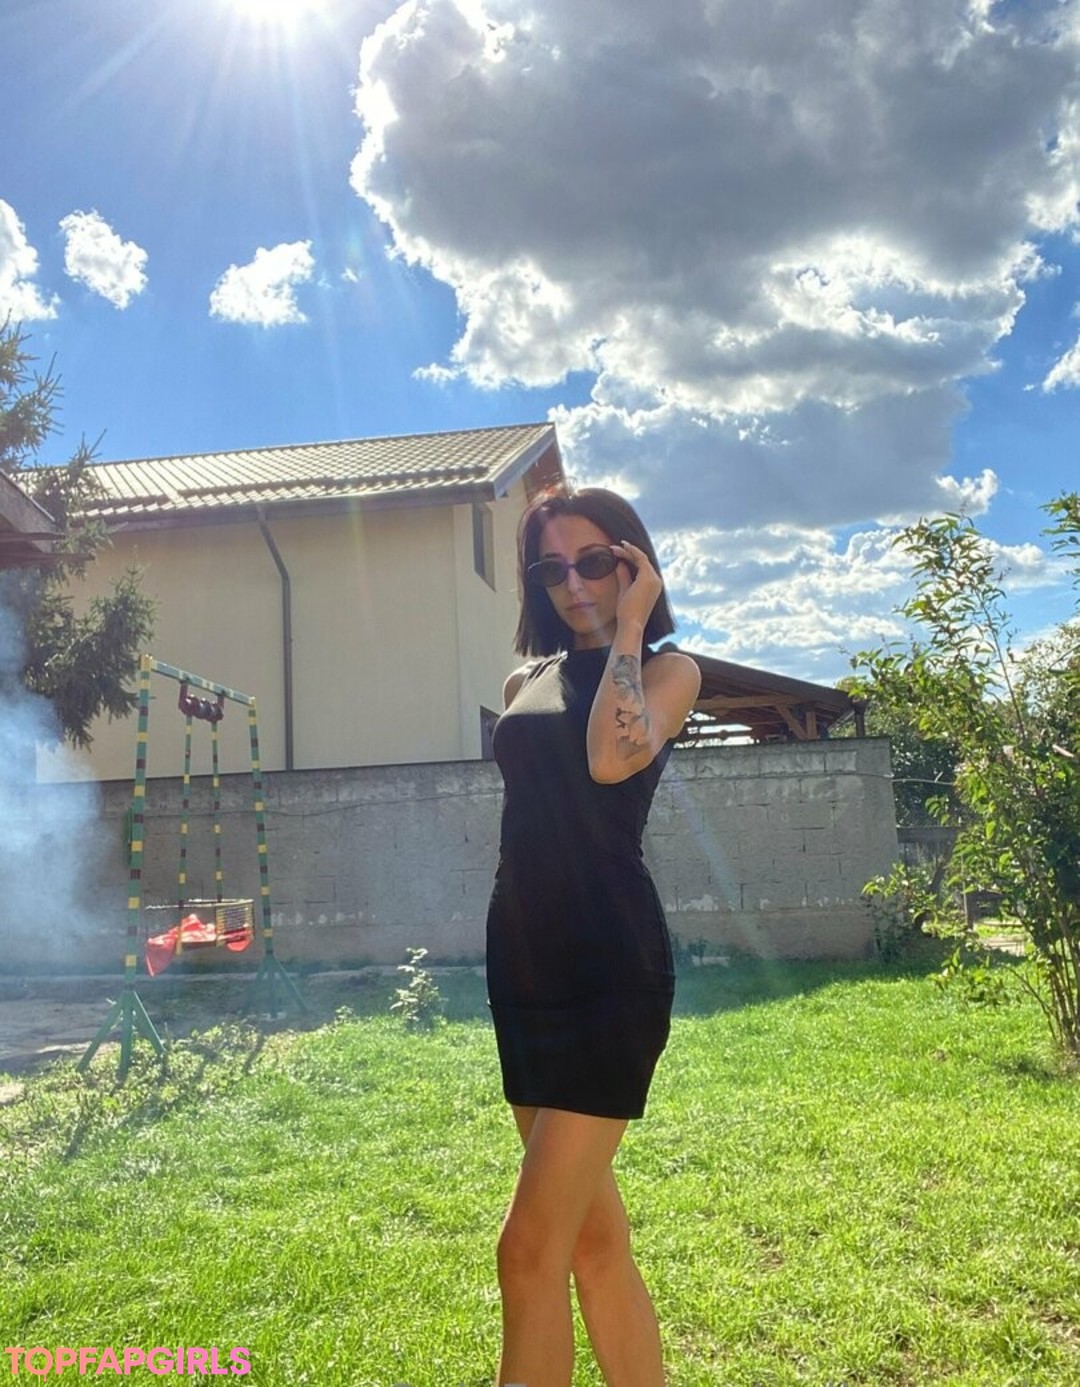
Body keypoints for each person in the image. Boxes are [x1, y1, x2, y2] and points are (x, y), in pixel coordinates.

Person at [485, 486, 702, 1387]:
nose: (573, 583)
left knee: (526, 1249)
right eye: (552, 568)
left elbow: (613, 757)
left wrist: (633, 622)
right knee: (591, 1243)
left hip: (609, 968)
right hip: (523, 965)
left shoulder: (670, 672)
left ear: (632, 561)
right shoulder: (521, 683)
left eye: (594, 561)